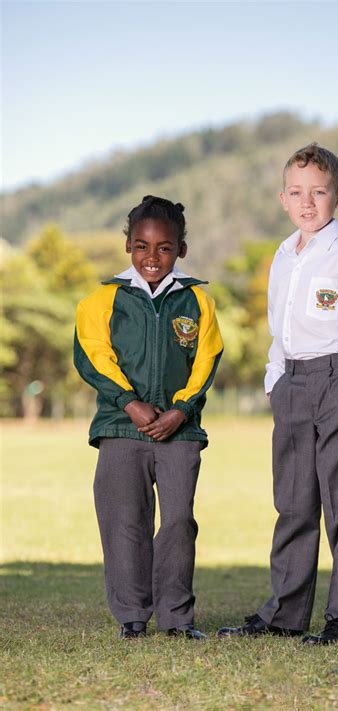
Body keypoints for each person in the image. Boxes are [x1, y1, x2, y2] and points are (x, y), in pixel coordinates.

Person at [217, 143, 338, 644]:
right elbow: (278, 327)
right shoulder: (283, 255)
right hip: (292, 386)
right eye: (297, 192)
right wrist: (273, 380)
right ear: (283, 198)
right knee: (294, 504)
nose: (307, 203)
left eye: (318, 192)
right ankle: (284, 614)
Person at [74, 195, 223, 640]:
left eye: (163, 248)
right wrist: (130, 403)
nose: (151, 257)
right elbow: (92, 357)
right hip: (121, 429)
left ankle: (177, 618)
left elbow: (207, 358)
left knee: (178, 522)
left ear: (182, 249)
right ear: (127, 246)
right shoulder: (102, 300)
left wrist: (180, 409)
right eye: (141, 246)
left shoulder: (197, 300)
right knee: (124, 522)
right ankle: (133, 618)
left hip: (180, 432)